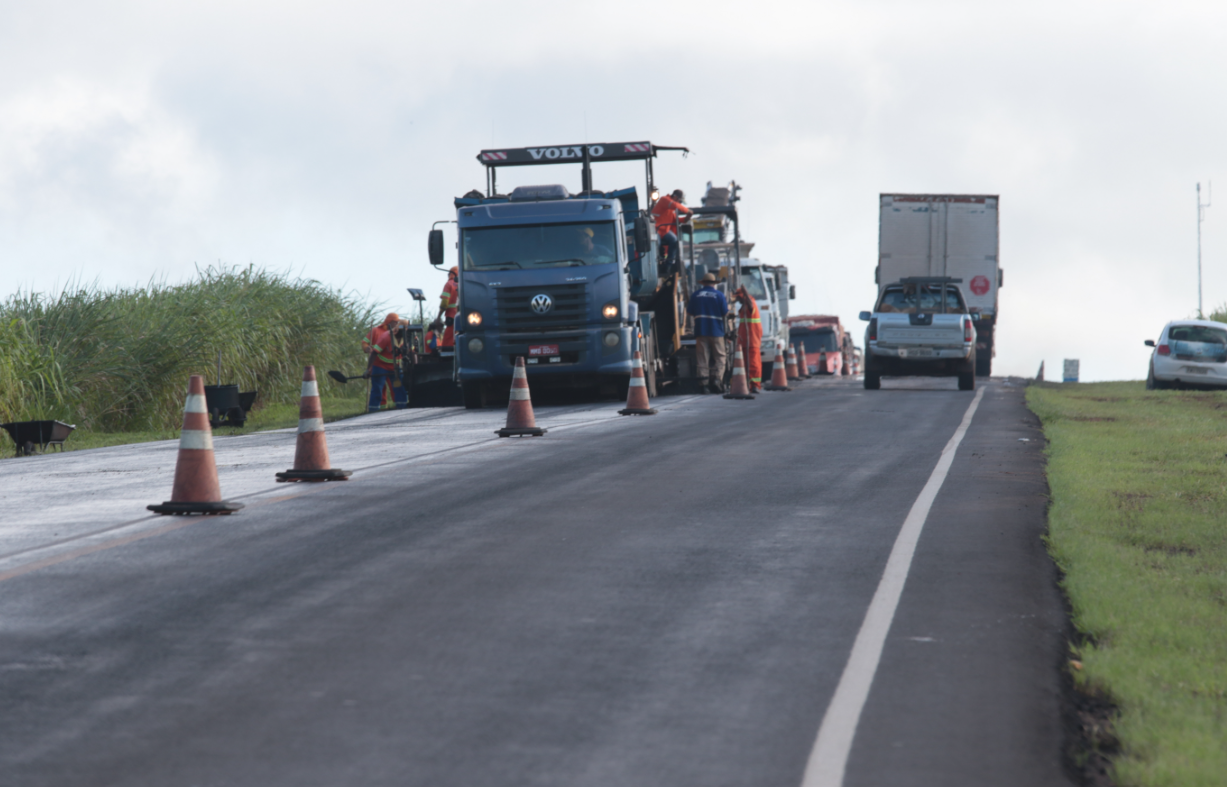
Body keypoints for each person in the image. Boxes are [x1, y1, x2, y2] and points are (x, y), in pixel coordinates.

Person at [689, 272, 730, 393]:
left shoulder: (695, 295)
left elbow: (689, 312)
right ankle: (716, 381)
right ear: (714, 284)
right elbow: (725, 313)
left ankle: (704, 385)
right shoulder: (719, 295)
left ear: (703, 283)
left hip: (701, 330)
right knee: (720, 357)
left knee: (702, 358)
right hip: (716, 331)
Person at [363, 313, 408, 411]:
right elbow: (374, 353)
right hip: (380, 366)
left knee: (399, 387)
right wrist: (368, 370)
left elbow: (411, 352)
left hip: (395, 367)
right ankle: (373, 410)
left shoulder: (406, 337)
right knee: (378, 388)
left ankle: (402, 407)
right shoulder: (386, 336)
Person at [651, 189, 692, 270]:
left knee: (674, 240)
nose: (680, 203)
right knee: (656, 243)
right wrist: (688, 211)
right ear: (676, 197)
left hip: (665, 231)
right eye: (680, 201)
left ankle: (668, 264)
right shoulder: (665, 200)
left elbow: (676, 220)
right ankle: (656, 263)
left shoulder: (672, 209)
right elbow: (675, 205)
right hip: (656, 229)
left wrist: (687, 218)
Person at [734, 285, 763, 392]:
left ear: (743, 296)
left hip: (752, 340)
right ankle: (748, 384)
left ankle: (755, 385)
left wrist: (746, 293)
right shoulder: (745, 305)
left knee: (753, 363)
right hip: (745, 340)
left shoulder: (750, 303)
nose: (737, 300)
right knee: (745, 364)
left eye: (738, 298)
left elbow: (751, 307)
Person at [439, 266, 459, 349]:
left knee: (447, 343)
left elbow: (444, 303)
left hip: (452, 317)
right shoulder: (464, 283)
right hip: (464, 317)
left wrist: (438, 316)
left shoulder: (449, 284)